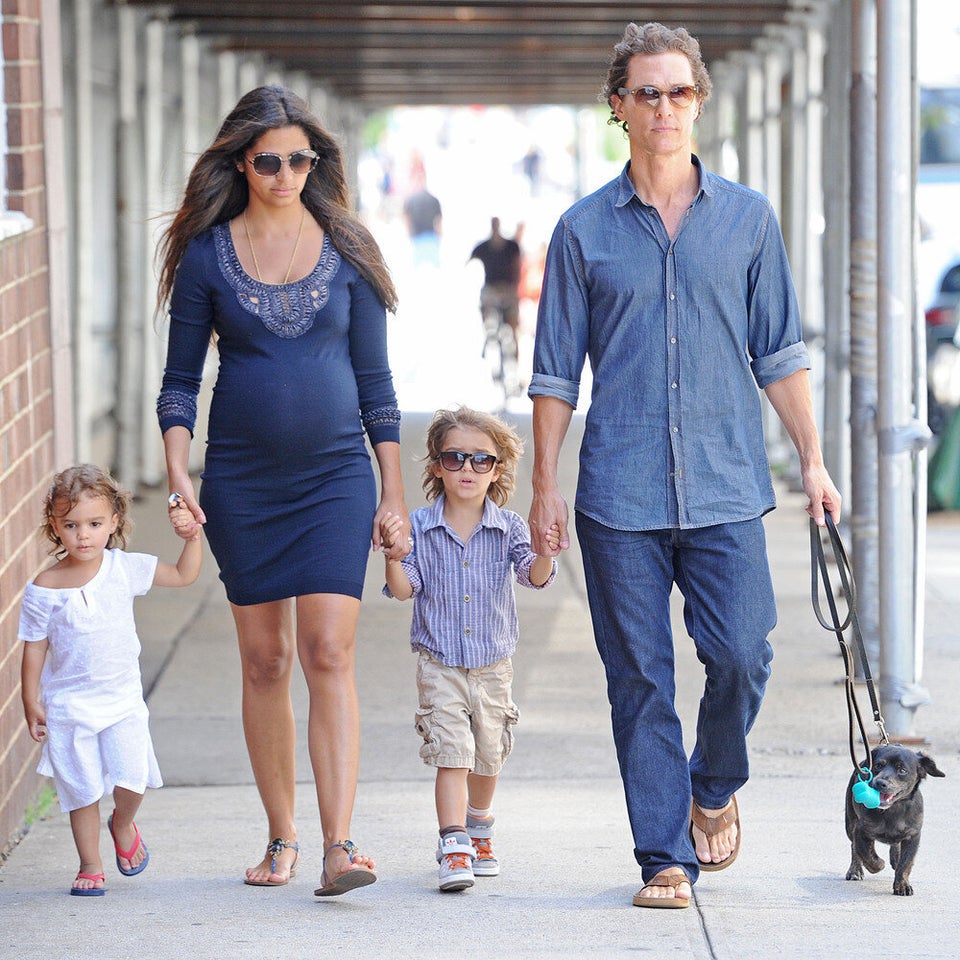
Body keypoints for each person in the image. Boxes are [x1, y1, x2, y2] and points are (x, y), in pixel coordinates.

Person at [526, 22, 842, 909]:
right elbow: (555, 373)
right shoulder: (582, 230)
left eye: (679, 91)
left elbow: (778, 352)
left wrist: (813, 462)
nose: (664, 107)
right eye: (646, 93)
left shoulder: (748, 220)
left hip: (727, 483)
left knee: (743, 653)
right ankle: (664, 855)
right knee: (640, 681)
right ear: (618, 107)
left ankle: (713, 782)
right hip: (618, 492)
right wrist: (544, 485)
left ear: (699, 100)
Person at [155, 85, 410, 896]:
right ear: (241, 161)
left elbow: (378, 386)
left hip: (336, 477)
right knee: (264, 660)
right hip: (241, 482)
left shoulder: (348, 247)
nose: (287, 173)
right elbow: (178, 385)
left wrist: (391, 492)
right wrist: (176, 474)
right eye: (270, 160)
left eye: (302, 159)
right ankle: (281, 837)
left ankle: (341, 845)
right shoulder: (206, 256)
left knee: (328, 649)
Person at [379, 407, 558, 892]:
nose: (467, 470)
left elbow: (533, 577)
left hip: (493, 666)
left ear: (497, 470)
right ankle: (453, 842)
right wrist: (395, 558)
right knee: (452, 753)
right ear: (437, 465)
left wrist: (545, 550)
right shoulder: (419, 527)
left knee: (487, 756)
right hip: (440, 664)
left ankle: (479, 826)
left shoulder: (510, 527)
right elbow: (403, 589)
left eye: (481, 460)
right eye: (455, 458)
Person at [18, 464, 202, 897]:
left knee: (130, 777)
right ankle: (90, 863)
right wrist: (32, 700)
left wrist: (192, 537)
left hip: (121, 700)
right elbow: (34, 647)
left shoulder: (125, 568)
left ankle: (122, 821)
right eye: (72, 525)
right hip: (69, 705)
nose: (84, 535)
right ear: (54, 526)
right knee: (81, 789)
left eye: (95, 524)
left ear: (115, 522)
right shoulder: (45, 587)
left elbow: (182, 575)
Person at [469, 216, 523, 343]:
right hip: (491, 289)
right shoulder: (483, 247)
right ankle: (488, 336)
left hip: (508, 289)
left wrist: (515, 287)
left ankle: (515, 345)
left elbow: (517, 266)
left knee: (513, 322)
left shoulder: (511, 246)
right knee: (486, 310)